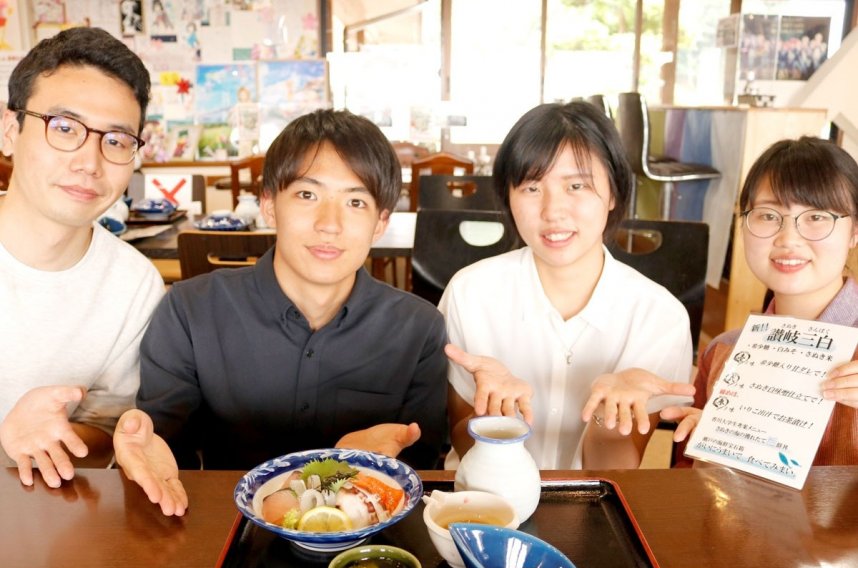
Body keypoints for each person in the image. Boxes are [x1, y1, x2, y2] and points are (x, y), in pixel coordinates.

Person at [116, 109, 448, 477]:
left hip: (368, 532)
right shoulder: (190, 311)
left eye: (356, 202)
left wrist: (362, 471)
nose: (329, 225)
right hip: (223, 528)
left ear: (380, 224)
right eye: (308, 194)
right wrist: (140, 451)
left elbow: (422, 465)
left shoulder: (418, 330)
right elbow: (163, 451)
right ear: (269, 205)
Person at [440, 101, 695, 470]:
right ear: (508, 198)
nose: (552, 211)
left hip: (590, 512)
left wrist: (608, 420)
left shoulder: (659, 317)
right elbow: (464, 444)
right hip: (483, 505)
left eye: (576, 185)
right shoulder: (470, 294)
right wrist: (495, 418)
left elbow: (613, 471)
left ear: (613, 194)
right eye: (531, 188)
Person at [0, 27, 185, 515]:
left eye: (117, 139)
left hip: (61, 541)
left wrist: (62, 437)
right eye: (64, 127)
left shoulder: (135, 285)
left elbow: (105, 431)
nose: (90, 161)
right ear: (9, 130)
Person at [663, 136, 858, 465]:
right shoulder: (723, 352)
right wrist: (708, 459)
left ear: (854, 231)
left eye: (817, 217)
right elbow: (695, 496)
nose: (788, 239)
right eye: (768, 216)